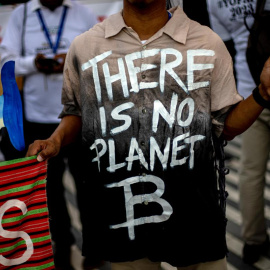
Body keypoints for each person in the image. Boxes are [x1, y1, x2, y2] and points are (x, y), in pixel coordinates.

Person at [26, 0, 270, 269]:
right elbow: (77, 113)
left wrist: (262, 94)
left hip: (193, 213)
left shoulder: (206, 43)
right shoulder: (86, 47)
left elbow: (227, 126)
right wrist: (56, 140)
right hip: (122, 217)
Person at [0, 1, 97, 269]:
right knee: (48, 191)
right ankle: (62, 244)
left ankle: (94, 247)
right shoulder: (22, 15)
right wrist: (35, 62)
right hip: (37, 121)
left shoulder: (83, 13)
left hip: (80, 119)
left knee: (88, 186)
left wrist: (72, 60)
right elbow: (4, 58)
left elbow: (101, 59)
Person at [207, 0, 270, 265]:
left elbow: (224, 50)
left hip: (250, 97)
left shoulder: (213, 2)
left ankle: (253, 240)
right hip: (260, 90)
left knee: (251, 171)